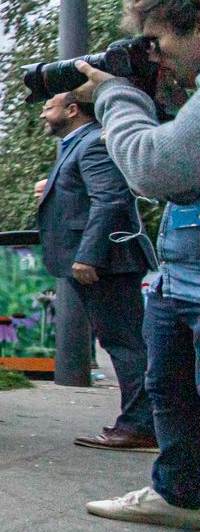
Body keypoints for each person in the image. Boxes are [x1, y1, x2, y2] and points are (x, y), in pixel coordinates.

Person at [75, 0, 200, 530]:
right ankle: (179, 493)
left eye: (159, 39)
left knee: (145, 360)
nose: (154, 54)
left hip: (179, 267)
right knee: (169, 383)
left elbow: (155, 168)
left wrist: (117, 95)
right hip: (179, 266)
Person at [34, 91, 156, 452]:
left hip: (108, 264)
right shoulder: (78, 144)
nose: (43, 113)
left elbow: (110, 199)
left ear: (73, 110)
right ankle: (141, 422)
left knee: (125, 344)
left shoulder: (91, 144)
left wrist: (89, 256)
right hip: (105, 263)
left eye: (49, 107)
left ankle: (140, 426)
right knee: (122, 343)